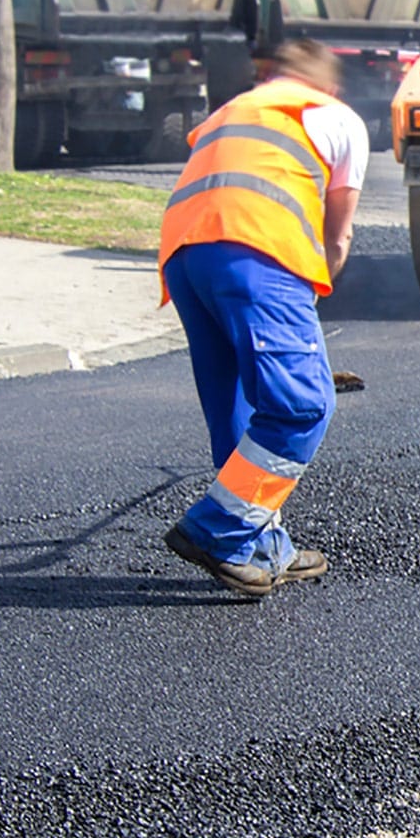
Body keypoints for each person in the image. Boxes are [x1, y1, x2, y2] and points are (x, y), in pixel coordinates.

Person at [158, 39, 369, 596]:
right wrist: (305, 304)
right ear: (330, 87)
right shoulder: (337, 117)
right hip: (257, 251)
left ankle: (262, 544)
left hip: (184, 254)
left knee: (238, 405)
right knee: (302, 405)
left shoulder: (234, 110)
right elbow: (336, 234)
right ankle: (217, 529)